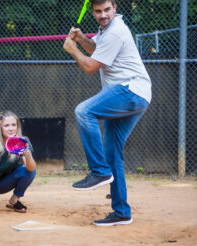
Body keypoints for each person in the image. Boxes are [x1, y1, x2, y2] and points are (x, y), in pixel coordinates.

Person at [63, 0, 151, 226]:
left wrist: (73, 49)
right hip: (135, 94)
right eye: (98, 11)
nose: (103, 15)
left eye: (107, 10)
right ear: (92, 11)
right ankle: (122, 212)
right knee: (112, 152)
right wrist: (82, 39)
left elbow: (92, 66)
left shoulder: (116, 31)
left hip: (128, 91)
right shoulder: (106, 31)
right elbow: (97, 51)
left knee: (83, 112)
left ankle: (99, 172)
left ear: (115, 7)